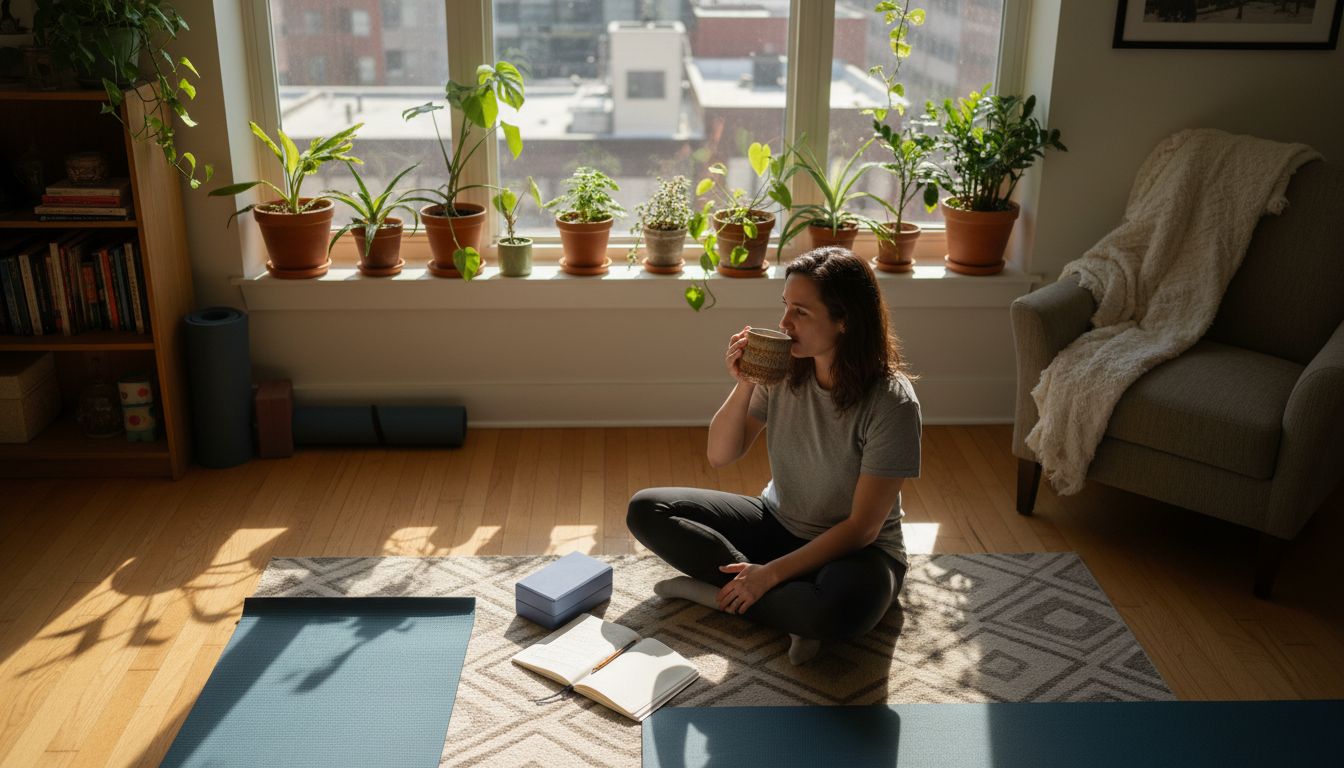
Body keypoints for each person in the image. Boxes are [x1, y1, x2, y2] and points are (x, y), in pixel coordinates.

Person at [626, 247, 921, 664]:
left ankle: (729, 595)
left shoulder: (892, 403)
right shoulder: (784, 369)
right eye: (785, 306)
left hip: (858, 553)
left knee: (833, 612)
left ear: (845, 320)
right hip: (778, 523)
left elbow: (862, 529)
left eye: (801, 312)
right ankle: (783, 609)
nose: (784, 324)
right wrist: (746, 381)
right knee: (647, 509)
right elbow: (721, 454)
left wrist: (769, 575)